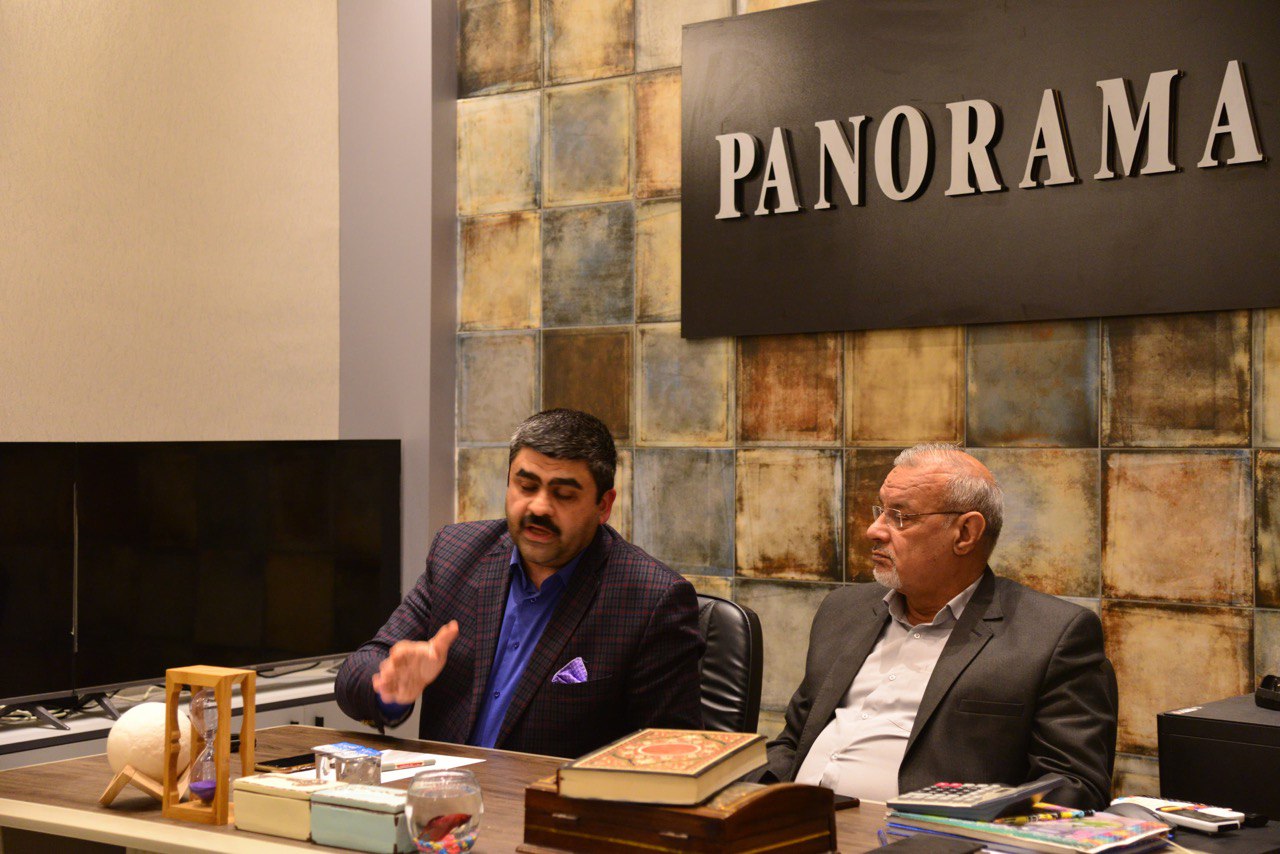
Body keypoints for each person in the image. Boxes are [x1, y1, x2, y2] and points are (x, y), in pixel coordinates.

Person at [336, 409, 704, 758]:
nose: (539, 507)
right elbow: (357, 671)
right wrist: (389, 686)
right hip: (445, 796)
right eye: (526, 486)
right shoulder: (457, 554)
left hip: (551, 801)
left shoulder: (651, 600)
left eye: (564, 494)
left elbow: (672, 757)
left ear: (603, 506)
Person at [765, 444, 1114, 809]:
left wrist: (959, 821)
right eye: (880, 511)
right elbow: (793, 741)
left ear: (965, 533)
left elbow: (1075, 786)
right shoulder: (843, 611)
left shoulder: (1050, 636)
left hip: (918, 834)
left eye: (900, 517)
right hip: (791, 825)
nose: (873, 530)